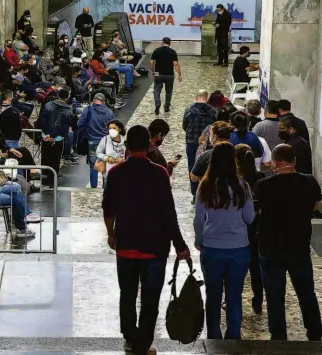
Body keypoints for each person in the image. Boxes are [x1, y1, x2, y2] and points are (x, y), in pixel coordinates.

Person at [102, 125, 190, 355]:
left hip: (126, 246)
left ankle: (130, 337)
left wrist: (111, 234)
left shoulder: (116, 173)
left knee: (127, 294)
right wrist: (180, 245)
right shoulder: (159, 173)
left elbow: (108, 209)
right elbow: (168, 213)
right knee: (150, 298)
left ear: (128, 146)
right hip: (154, 248)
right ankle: (143, 343)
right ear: (148, 145)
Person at [254, 144, 322, 341]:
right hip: (299, 246)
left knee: (275, 296)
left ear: (274, 161)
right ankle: (315, 331)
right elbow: (315, 205)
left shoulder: (264, 185)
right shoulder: (309, 182)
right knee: (306, 292)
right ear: (294, 161)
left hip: (270, 247)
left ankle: (278, 335)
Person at [194, 142, 254, 339]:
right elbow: (249, 218)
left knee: (213, 296)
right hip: (239, 248)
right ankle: (233, 336)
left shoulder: (205, 185)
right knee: (234, 297)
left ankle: (213, 336)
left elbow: (198, 219)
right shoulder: (241, 186)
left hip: (212, 247)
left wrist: (199, 240)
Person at [234, 144, 265, 315]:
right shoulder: (260, 177)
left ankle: (233, 300)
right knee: (255, 269)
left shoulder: (234, 181)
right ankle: (258, 300)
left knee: (235, 271)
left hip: (238, 230)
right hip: (256, 230)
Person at [38, 88, 76, 186]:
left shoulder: (48, 105)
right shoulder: (69, 109)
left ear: (58, 95)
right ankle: (52, 182)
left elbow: (41, 120)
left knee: (45, 158)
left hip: (45, 136)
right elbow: (65, 127)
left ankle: (44, 180)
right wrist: (52, 135)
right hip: (58, 138)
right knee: (55, 159)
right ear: (67, 97)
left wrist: (46, 134)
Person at [183, 90, 216, 198]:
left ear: (196, 97)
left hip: (191, 142)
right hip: (207, 145)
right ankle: (205, 191)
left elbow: (184, 126)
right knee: (207, 167)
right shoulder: (213, 111)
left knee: (192, 166)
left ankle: (195, 193)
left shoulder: (188, 110)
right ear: (206, 98)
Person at [78, 93, 114, 188]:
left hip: (92, 141)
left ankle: (93, 188)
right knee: (105, 166)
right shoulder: (109, 112)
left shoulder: (88, 110)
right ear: (104, 101)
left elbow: (80, 124)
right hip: (105, 142)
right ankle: (105, 188)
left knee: (93, 166)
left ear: (94, 100)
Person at [150, 37, 181, 115]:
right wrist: (179, 75)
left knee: (157, 89)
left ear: (162, 42)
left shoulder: (157, 50)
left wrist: (153, 71)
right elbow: (175, 64)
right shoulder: (173, 52)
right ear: (169, 43)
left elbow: (151, 62)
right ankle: (166, 106)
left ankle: (157, 103)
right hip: (169, 75)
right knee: (168, 91)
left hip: (158, 74)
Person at [96, 120, 126, 187]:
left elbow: (129, 155)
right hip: (107, 173)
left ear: (120, 129)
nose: (112, 130)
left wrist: (123, 159)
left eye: (114, 128)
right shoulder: (105, 139)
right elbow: (98, 153)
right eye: (110, 128)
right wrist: (106, 158)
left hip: (121, 173)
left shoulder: (125, 141)